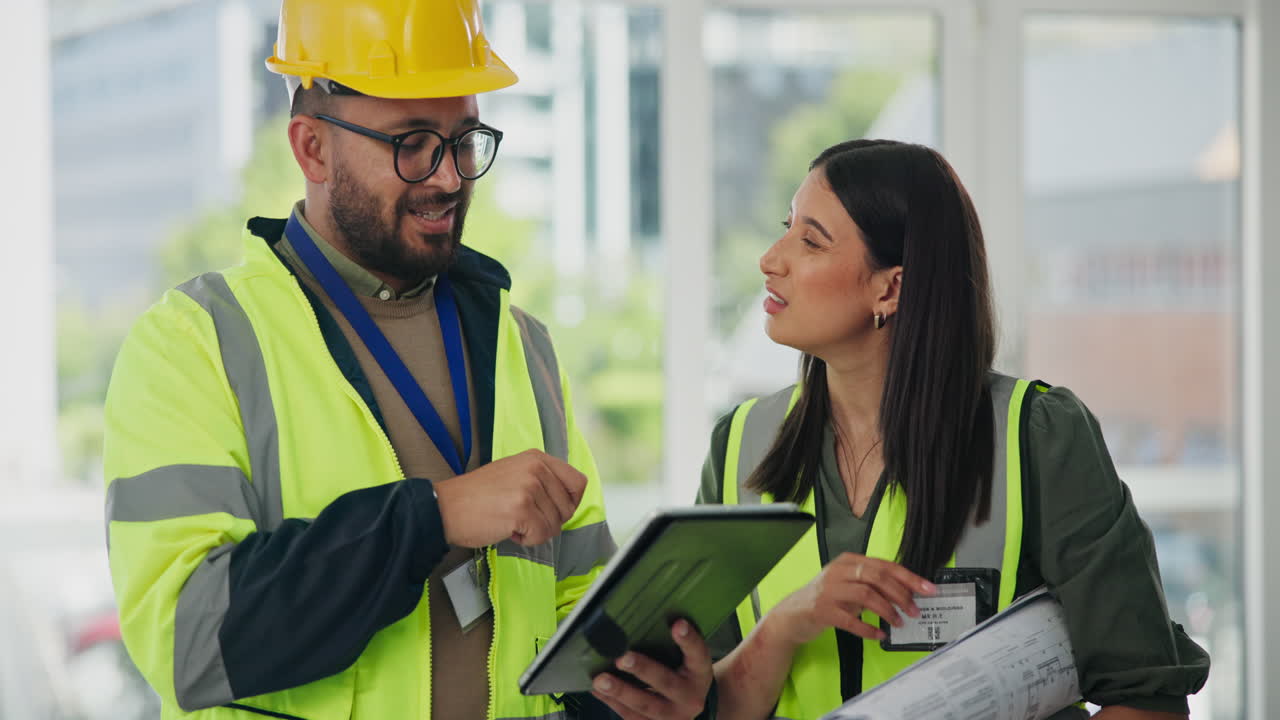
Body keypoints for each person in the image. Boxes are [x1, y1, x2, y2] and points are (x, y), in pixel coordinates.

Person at [101, 2, 708, 718]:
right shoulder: (194, 345)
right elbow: (191, 640)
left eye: (465, 140)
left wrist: (647, 691)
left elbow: (576, 607)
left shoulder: (522, 345)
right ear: (312, 148)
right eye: (412, 143)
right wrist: (435, 517)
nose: (449, 177)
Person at [691, 139, 1210, 720]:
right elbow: (703, 704)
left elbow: (1146, 696)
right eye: (787, 229)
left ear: (890, 288)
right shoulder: (738, 447)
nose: (771, 259)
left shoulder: (1039, 437)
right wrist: (786, 625)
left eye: (810, 241)